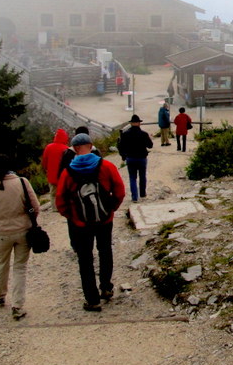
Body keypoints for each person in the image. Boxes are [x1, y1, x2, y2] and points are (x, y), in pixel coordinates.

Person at [56, 133, 125, 312]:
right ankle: (106, 287)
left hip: (80, 223)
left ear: (75, 149)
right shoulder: (106, 166)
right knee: (105, 251)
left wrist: (71, 216)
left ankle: (92, 299)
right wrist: (112, 208)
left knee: (85, 258)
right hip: (104, 219)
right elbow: (119, 190)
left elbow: (60, 200)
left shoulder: (68, 172)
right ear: (91, 145)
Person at [0, 154, 40, 320]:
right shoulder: (22, 182)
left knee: (1, 264)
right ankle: (17, 305)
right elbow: (35, 206)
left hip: (1, 232)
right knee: (20, 267)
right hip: (23, 230)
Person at [117, 114, 154, 202]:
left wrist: (123, 157)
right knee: (142, 176)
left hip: (130, 158)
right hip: (142, 158)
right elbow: (150, 145)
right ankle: (142, 194)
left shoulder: (125, 135)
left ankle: (134, 197)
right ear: (139, 123)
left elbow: (121, 146)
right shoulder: (144, 134)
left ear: (131, 123)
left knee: (132, 177)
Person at [41, 128, 69, 195]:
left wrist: (46, 170)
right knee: (63, 195)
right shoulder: (67, 149)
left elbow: (44, 162)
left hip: (52, 178)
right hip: (63, 179)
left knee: (53, 195)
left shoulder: (49, 147)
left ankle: (54, 206)